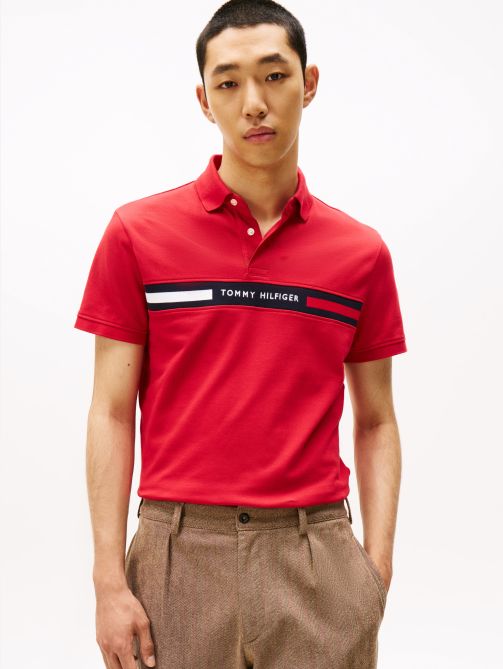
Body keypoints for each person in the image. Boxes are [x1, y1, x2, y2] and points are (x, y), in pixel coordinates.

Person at [74, 1, 407, 667]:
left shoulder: (360, 254)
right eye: (228, 83)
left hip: (317, 559)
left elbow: (376, 420)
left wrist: (372, 573)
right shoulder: (136, 234)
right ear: (204, 100)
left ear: (308, 83)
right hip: (176, 557)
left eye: (274, 76)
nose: (253, 103)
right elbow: (110, 410)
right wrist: (108, 580)